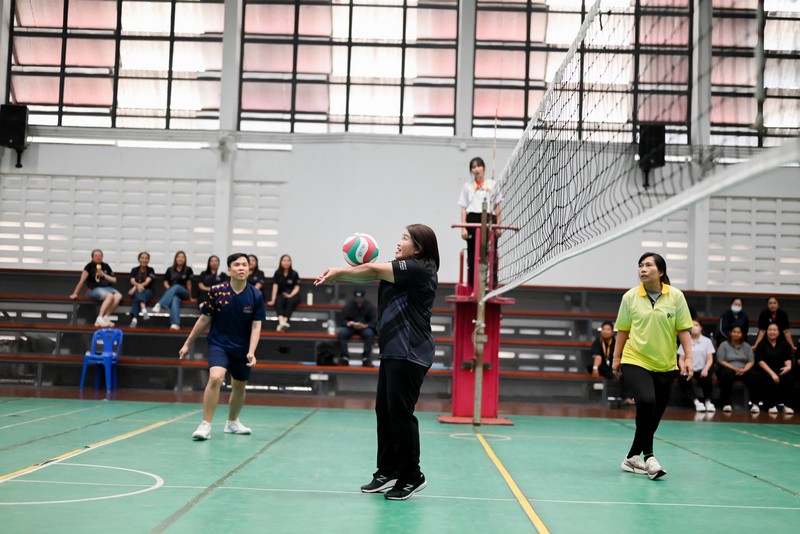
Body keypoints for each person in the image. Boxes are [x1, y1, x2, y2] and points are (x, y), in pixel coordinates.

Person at [315, 224, 439, 501]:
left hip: (410, 351)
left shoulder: (419, 268)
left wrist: (338, 272)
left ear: (418, 248)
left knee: (400, 413)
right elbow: (370, 274)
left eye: (405, 238)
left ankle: (412, 476)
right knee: (384, 411)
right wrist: (342, 276)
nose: (398, 242)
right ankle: (388, 471)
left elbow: (371, 269)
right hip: (394, 350)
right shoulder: (402, 268)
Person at [613, 252, 693, 481]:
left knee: (655, 414)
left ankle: (632, 457)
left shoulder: (676, 296)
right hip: (635, 358)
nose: (643, 269)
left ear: (661, 271)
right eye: (641, 265)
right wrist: (616, 358)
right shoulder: (630, 297)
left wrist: (688, 357)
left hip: (665, 363)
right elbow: (623, 330)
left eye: (649, 265)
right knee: (647, 402)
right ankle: (649, 457)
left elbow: (683, 329)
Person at [179, 252, 265, 440]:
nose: (241, 268)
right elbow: (204, 319)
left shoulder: (256, 295)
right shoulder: (217, 291)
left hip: (242, 348)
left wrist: (251, 351)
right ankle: (205, 424)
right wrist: (187, 343)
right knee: (216, 377)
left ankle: (232, 422)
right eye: (237, 265)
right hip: (219, 344)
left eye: (244, 264)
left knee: (239, 386)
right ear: (229, 270)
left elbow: (256, 326)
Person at [457, 156, 502, 289]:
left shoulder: (492, 185)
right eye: (474, 167)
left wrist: (498, 226)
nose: (476, 169)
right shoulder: (467, 187)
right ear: (471, 170)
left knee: (492, 252)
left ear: (484, 168)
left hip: (489, 219)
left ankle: (492, 285)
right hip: (473, 220)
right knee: (472, 253)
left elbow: (497, 207)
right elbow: (463, 208)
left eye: (479, 166)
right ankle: (473, 286)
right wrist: (463, 228)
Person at [69, 249, 123, 328]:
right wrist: (75, 293)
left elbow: (114, 280)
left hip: (107, 288)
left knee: (118, 296)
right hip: (95, 288)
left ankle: (106, 316)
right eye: (96, 256)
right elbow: (82, 281)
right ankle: (100, 317)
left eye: (100, 255)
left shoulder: (106, 266)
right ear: (92, 257)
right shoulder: (89, 266)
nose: (98, 257)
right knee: (110, 296)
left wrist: (103, 275)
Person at [752, 323, 794, 415]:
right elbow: (760, 361)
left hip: (780, 369)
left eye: (774, 330)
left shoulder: (784, 344)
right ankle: (770, 405)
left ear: (778, 332)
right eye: (770, 330)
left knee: (790, 377)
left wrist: (788, 367)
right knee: (767, 378)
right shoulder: (761, 344)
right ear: (767, 332)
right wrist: (772, 373)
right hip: (765, 370)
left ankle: (787, 405)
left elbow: (787, 358)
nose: (772, 332)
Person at [677, 319, 716, 413]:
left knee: (708, 377)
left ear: (701, 327)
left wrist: (706, 369)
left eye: (696, 325)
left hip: (702, 370)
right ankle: (696, 402)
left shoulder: (707, 341)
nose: (694, 327)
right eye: (692, 325)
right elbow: (681, 359)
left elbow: (710, 359)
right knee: (682, 378)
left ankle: (708, 402)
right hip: (689, 370)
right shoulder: (685, 340)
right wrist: (682, 369)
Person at [715, 325, 756, 413]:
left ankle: (754, 404)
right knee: (726, 374)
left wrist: (744, 370)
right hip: (728, 368)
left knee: (754, 375)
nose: (736, 334)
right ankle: (726, 403)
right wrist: (735, 368)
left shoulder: (747, 346)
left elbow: (751, 361)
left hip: (743, 370)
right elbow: (720, 360)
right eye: (734, 332)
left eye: (738, 332)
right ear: (730, 333)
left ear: (742, 334)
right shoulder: (724, 345)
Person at [152, 250, 195, 330]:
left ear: (185, 259)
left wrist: (190, 297)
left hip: (184, 292)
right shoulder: (170, 269)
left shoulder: (188, 269)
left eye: (182, 257)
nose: (180, 259)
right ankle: (175, 324)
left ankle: (160, 304)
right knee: (175, 298)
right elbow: (165, 282)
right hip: (173, 293)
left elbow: (189, 284)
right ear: (175, 258)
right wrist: (170, 291)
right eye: (179, 257)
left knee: (177, 286)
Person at [338, 289, 378, 367]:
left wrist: (366, 325)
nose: (359, 301)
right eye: (357, 299)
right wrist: (348, 323)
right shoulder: (349, 305)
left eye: (360, 299)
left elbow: (374, 321)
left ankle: (365, 358)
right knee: (342, 333)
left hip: (365, 327)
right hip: (351, 327)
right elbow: (342, 320)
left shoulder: (369, 306)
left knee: (369, 334)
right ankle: (344, 357)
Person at [268, 254, 301, 332]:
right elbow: (275, 287)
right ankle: (282, 322)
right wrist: (273, 300)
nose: (286, 262)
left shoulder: (294, 273)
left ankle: (284, 321)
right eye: (284, 260)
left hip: (293, 295)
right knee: (278, 300)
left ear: (290, 262)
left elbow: (297, 287)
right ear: (281, 262)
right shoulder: (277, 273)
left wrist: (290, 295)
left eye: (288, 261)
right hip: (281, 294)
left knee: (291, 301)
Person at [128, 251, 156, 328]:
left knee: (138, 293)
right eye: (142, 258)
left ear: (148, 260)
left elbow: (147, 282)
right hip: (137, 292)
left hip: (148, 291)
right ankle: (143, 308)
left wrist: (137, 286)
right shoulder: (134, 270)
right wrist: (138, 286)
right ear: (139, 259)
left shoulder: (151, 270)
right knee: (138, 292)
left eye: (146, 258)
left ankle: (134, 318)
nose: (144, 260)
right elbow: (132, 281)